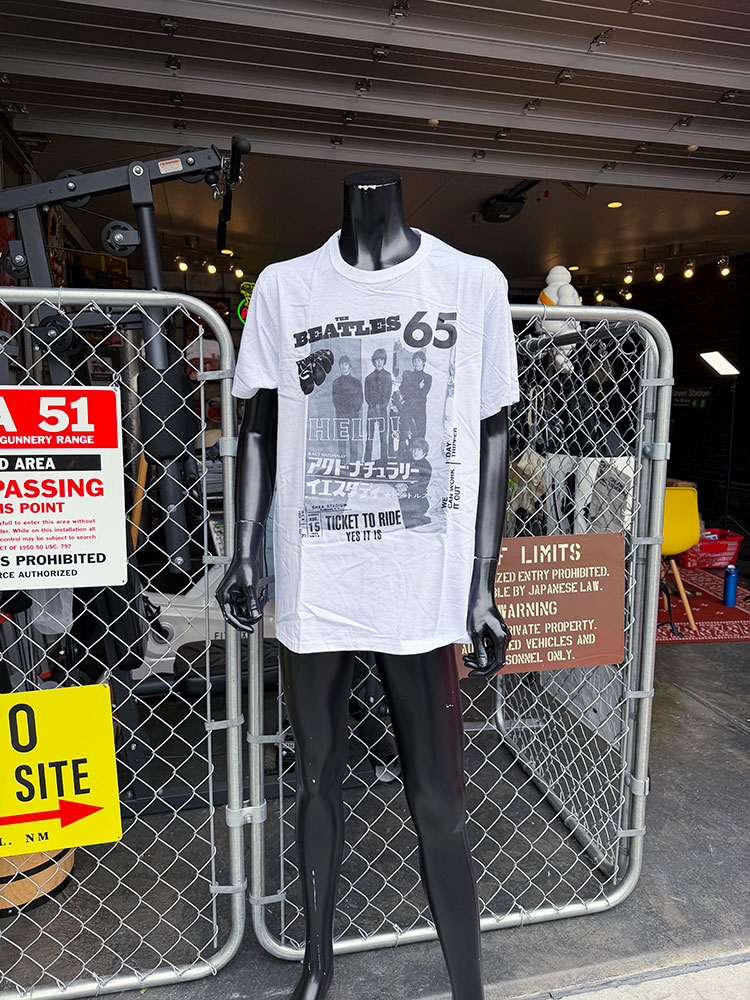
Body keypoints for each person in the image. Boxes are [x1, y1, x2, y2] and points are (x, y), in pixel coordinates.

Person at [330, 355, 363, 463]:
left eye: (346, 364)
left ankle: (353, 464)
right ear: (339, 367)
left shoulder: (356, 382)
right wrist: (343, 411)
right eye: (341, 364)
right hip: (341, 416)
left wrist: (352, 411)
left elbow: (360, 400)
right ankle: (343, 464)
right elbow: (335, 400)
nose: (343, 366)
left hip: (353, 416)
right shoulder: (336, 383)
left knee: (353, 441)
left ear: (350, 367)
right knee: (342, 441)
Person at [399, 350, 432, 450]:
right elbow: (403, 390)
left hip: (420, 411)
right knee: (403, 435)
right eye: (414, 360)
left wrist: (411, 388)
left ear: (423, 362)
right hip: (407, 410)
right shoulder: (407, 374)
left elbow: (422, 394)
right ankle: (402, 457)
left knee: (420, 436)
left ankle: (419, 458)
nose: (416, 362)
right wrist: (418, 386)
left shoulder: (428, 377)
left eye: (419, 360)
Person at [363, 347, 392, 462]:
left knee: (383, 438)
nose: (379, 362)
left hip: (383, 410)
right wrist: (373, 405)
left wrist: (382, 405)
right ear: (373, 361)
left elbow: (388, 394)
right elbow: (367, 396)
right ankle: (367, 461)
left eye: (381, 359)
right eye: (377, 360)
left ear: (384, 361)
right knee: (369, 437)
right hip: (371, 410)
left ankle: (384, 461)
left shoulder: (388, 376)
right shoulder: (369, 378)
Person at [397, 438, 432, 527]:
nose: (415, 452)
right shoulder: (406, 460)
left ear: (424, 452)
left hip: (416, 497)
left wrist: (406, 490)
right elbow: (396, 474)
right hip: (401, 493)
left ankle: (419, 519)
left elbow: (421, 486)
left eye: (419, 450)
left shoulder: (426, 466)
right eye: (414, 449)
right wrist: (398, 483)